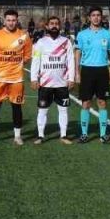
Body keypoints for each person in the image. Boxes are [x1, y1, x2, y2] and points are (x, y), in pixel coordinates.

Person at [0, 9, 33, 146]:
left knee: (16, 108)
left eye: (13, 20)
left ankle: (17, 137)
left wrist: (17, 64)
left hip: (16, 79)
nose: (11, 23)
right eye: (8, 20)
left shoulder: (24, 36)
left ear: (17, 21)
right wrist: (1, 65)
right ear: (4, 21)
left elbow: (28, 54)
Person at [30, 15, 74, 144]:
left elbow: (71, 61)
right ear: (47, 26)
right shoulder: (40, 43)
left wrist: (71, 78)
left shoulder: (66, 42)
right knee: (42, 110)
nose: (54, 26)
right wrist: (33, 79)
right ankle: (40, 136)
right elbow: (36, 61)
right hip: (45, 84)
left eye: (56, 23)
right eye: (52, 24)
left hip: (62, 83)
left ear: (60, 26)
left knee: (63, 110)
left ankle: (64, 135)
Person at [75, 7, 110, 144]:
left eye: (98, 15)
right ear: (89, 17)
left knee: (102, 102)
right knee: (86, 103)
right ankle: (84, 134)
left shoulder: (108, 34)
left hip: (102, 70)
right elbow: (78, 53)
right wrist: (77, 72)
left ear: (102, 17)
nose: (96, 17)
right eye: (93, 15)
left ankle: (103, 134)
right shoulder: (81, 35)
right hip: (87, 70)